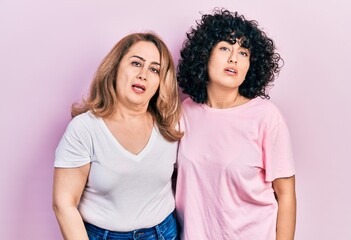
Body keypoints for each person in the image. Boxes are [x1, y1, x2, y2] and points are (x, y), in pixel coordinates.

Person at [175, 9, 296, 240]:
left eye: (243, 53)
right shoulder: (185, 112)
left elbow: (286, 193)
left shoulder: (266, 117)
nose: (234, 58)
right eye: (224, 48)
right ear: (204, 54)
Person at [52, 32, 183, 240]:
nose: (143, 75)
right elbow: (64, 203)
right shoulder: (85, 129)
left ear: (160, 81)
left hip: (163, 233)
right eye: (136, 63)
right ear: (115, 68)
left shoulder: (171, 124)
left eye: (154, 69)